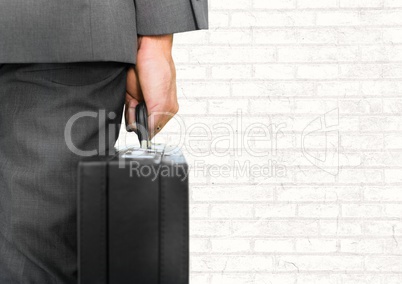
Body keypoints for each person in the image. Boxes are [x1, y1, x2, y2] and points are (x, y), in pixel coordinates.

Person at [0, 0, 208, 283]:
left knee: (41, 255)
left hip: (62, 36)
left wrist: (156, 42)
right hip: (68, 33)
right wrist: (156, 40)